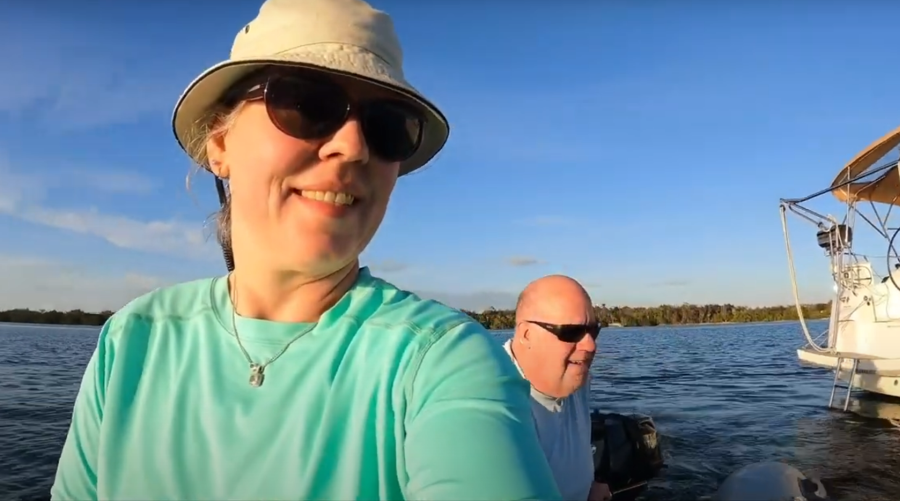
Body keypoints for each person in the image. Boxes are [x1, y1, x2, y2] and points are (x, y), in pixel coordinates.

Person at [50, 1, 563, 500]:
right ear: (221, 143)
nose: (353, 146)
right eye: (304, 103)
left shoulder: (441, 359)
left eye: (388, 126)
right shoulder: (134, 339)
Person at [505, 275, 611, 501]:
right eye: (570, 332)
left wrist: (592, 484)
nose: (590, 345)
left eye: (593, 331)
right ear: (526, 334)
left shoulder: (575, 376)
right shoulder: (492, 400)